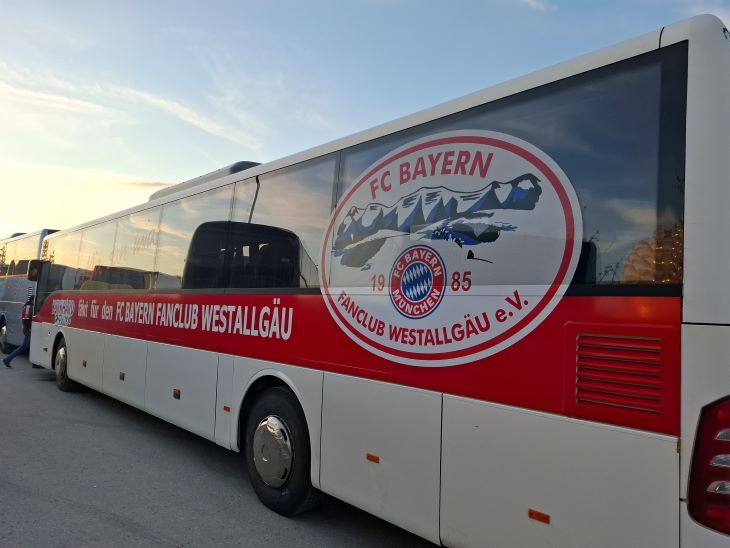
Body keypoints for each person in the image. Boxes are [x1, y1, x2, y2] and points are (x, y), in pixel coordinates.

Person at [3, 295, 33, 368]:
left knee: (27, 346)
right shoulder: (29, 307)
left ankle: (8, 359)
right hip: (28, 330)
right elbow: (26, 320)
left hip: (28, 330)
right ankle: (7, 359)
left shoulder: (29, 307)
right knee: (23, 347)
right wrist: (31, 328)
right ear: (33, 300)